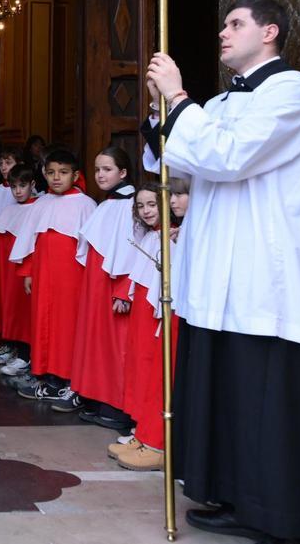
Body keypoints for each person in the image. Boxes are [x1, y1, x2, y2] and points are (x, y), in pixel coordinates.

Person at [144, 0, 300, 543]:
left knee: (265, 397)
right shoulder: (227, 101)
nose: (223, 33)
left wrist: (181, 98)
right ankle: (234, 495)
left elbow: (229, 157)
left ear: (270, 30)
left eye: (236, 24)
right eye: (223, 23)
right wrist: (163, 111)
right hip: (220, 273)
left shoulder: (293, 92)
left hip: (266, 273)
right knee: (227, 393)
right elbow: (180, 161)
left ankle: (280, 515)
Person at [9, 149, 96, 412]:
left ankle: (68, 379)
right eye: (50, 173)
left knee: (67, 328)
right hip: (43, 277)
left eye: (63, 172)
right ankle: (48, 378)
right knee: (44, 325)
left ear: (76, 175)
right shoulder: (42, 203)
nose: (56, 178)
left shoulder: (85, 204)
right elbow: (30, 240)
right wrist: (27, 271)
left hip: (72, 281)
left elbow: (89, 249)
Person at [111, 180, 187, 472]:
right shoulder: (151, 236)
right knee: (141, 370)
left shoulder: (175, 236)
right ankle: (142, 431)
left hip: (162, 315)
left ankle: (153, 439)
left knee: (156, 373)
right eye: (140, 205)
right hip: (144, 312)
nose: (145, 210)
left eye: (152, 204)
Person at [69, 146, 138, 431]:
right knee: (97, 342)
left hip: (114, 285)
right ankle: (97, 397)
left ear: (123, 172)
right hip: (97, 284)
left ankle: (117, 406)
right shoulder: (108, 203)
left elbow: (134, 252)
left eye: (107, 169)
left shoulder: (130, 204)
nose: (100, 175)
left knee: (116, 347)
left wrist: (123, 290)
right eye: (97, 169)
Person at [0, 165, 41, 378]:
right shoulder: (8, 210)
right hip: (6, 271)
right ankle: (13, 348)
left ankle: (26, 355)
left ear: (32, 185)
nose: (17, 191)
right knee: (9, 309)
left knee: (23, 313)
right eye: (14, 186)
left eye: (22, 186)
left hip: (23, 271)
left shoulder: (38, 208)